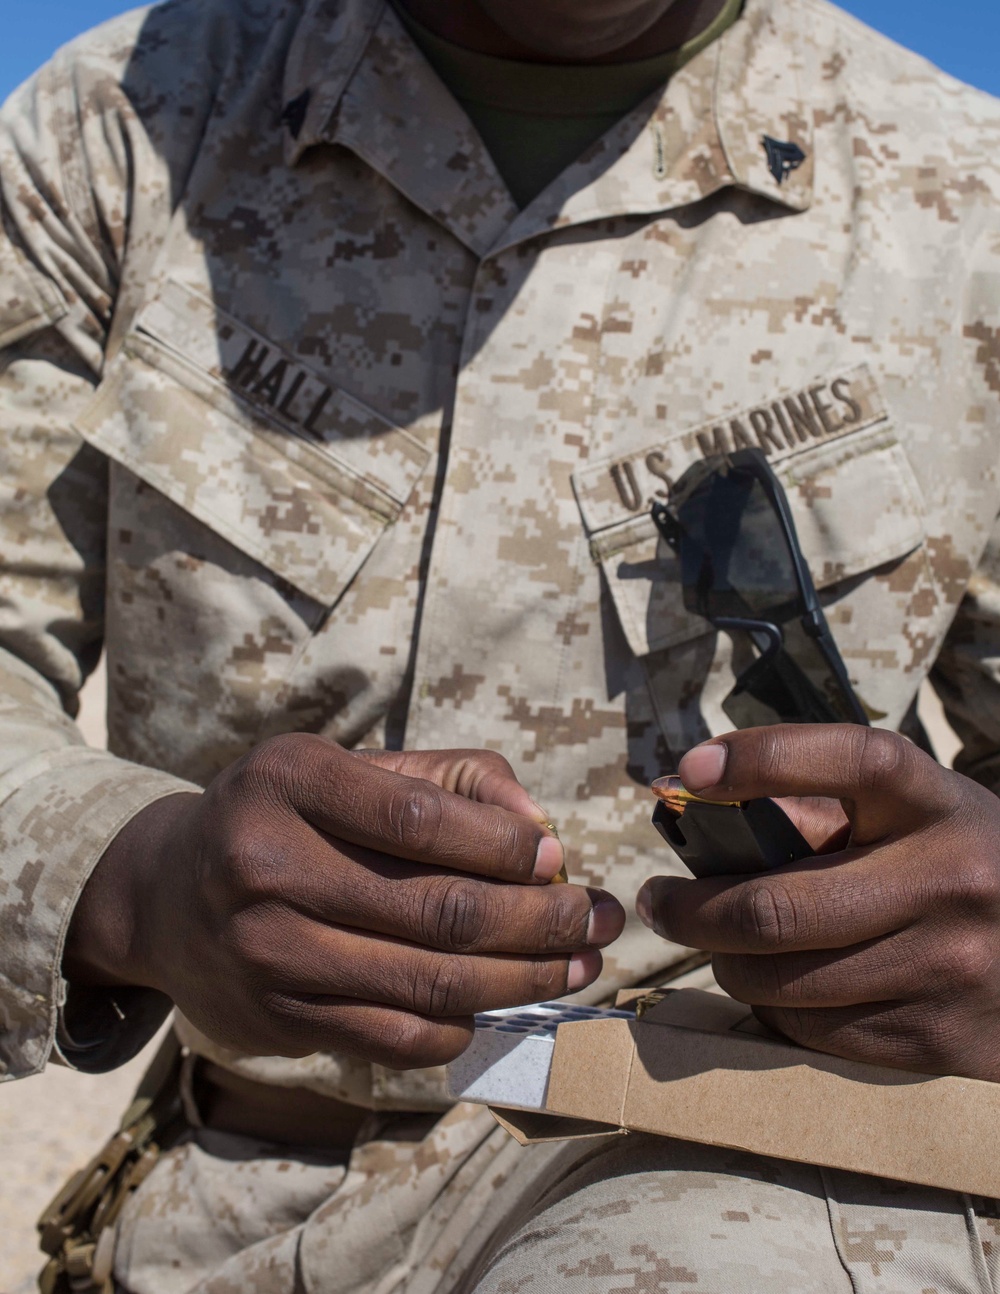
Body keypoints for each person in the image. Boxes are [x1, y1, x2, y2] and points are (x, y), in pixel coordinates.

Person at [2, 0, 1000, 1286]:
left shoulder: (965, 200)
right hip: (228, 1190)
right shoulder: (117, 135)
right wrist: (139, 880)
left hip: (734, 1168)